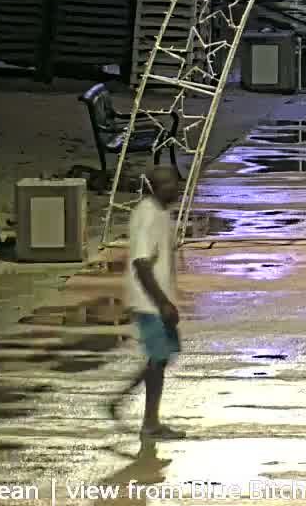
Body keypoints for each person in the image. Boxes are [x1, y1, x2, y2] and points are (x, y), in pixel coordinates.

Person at [109, 160, 183, 439]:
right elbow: (141, 263)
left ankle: (122, 400)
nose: (173, 188)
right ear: (154, 188)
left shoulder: (162, 212)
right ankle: (150, 424)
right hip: (148, 301)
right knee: (158, 357)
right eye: (166, 184)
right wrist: (162, 302)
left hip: (158, 299)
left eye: (175, 182)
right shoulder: (148, 215)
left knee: (162, 357)